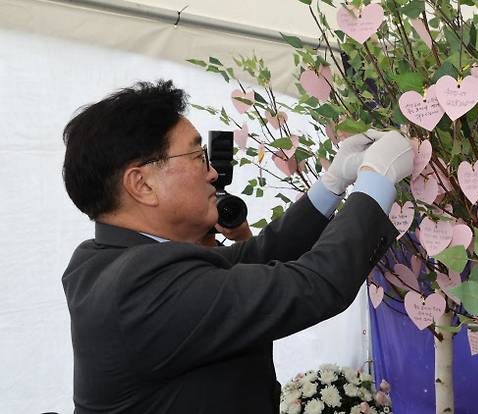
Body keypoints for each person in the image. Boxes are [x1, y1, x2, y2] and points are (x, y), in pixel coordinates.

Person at [61, 80, 413, 414]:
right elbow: (314, 285)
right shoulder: (141, 287)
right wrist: (375, 183)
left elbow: (257, 255)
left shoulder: (100, 259)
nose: (213, 173)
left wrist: (332, 185)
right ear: (142, 184)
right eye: (198, 156)